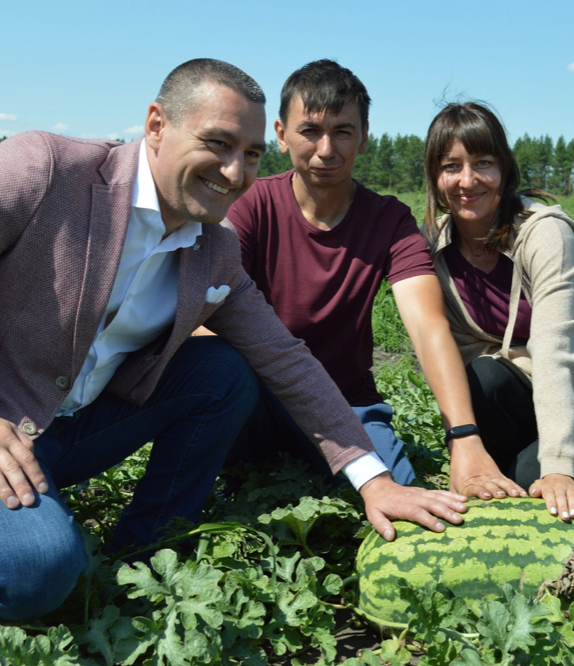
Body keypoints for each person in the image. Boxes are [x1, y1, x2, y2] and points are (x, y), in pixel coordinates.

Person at [0, 59, 467, 622]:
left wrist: (371, 478)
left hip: (71, 428)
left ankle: (146, 547)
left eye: (249, 154)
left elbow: (285, 359)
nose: (234, 172)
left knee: (224, 370)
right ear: (156, 125)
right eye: (217, 144)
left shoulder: (212, 246)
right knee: (37, 572)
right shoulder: (47, 169)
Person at [201, 60, 488, 493]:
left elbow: (428, 327)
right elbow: (206, 319)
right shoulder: (250, 206)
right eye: (310, 131)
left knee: (403, 498)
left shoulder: (388, 220)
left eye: (343, 131)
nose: (326, 150)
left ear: (364, 137)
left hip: (346, 404)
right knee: (224, 373)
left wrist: (465, 438)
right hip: (257, 401)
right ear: (281, 135)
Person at [421, 101, 574, 521]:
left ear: (505, 169)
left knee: (528, 479)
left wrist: (557, 469)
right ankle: (509, 466)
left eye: (483, 163)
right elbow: (460, 354)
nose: (467, 180)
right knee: (481, 376)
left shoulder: (544, 234)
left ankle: (535, 466)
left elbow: (554, 348)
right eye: (450, 166)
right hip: (531, 393)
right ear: (434, 176)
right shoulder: (436, 245)